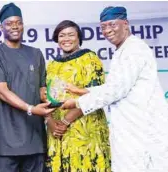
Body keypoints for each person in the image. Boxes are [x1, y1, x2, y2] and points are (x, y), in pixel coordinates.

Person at [61, 6, 168, 171]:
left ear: (125, 24)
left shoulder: (134, 50)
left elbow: (115, 91)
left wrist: (77, 102)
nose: (107, 30)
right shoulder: (122, 50)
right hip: (130, 130)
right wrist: (82, 91)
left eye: (112, 24)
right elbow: (115, 86)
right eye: (103, 27)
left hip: (143, 130)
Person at [0, 3, 55, 172]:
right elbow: (2, 92)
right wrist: (31, 108)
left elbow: (41, 90)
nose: (15, 26)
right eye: (9, 23)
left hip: (36, 138)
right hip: (7, 140)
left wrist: (57, 101)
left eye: (18, 22)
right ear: (1, 27)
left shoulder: (36, 54)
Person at [44, 20, 111, 172]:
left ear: (79, 37)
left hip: (84, 126)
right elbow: (45, 97)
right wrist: (51, 122)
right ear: (56, 39)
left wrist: (65, 121)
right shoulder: (52, 65)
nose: (66, 39)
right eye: (62, 35)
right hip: (58, 131)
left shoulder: (90, 59)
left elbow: (94, 96)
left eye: (70, 35)